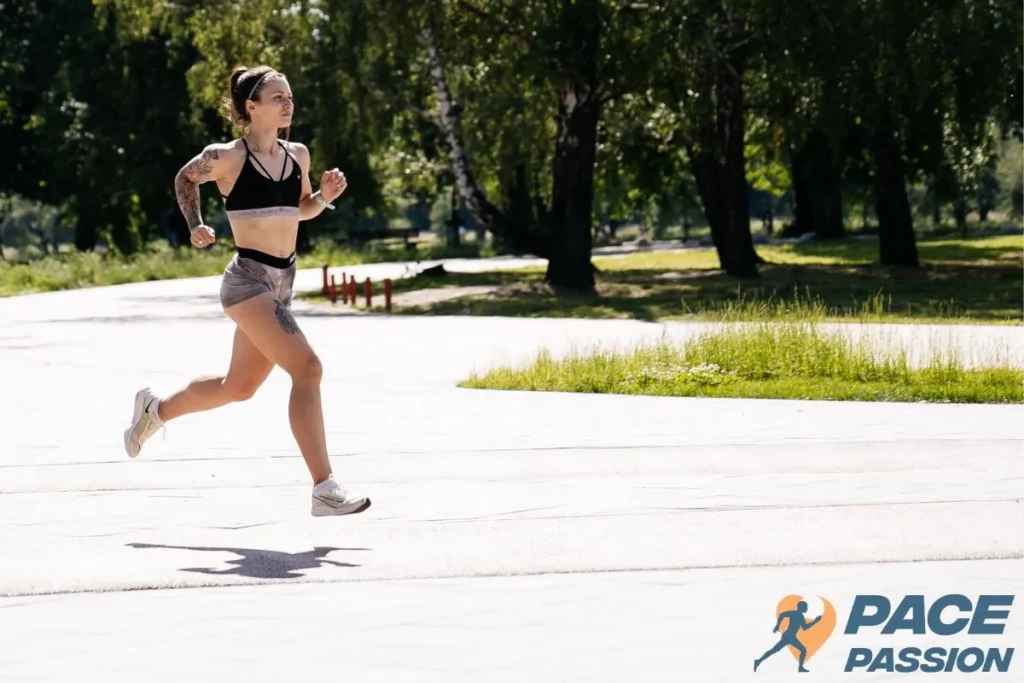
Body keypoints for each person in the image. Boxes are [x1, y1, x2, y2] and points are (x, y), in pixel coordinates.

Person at [122, 64, 370, 517]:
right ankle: (324, 487)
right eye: (277, 97)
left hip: (283, 282)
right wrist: (196, 224)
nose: (288, 103)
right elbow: (184, 178)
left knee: (237, 388)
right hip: (248, 281)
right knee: (308, 369)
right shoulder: (227, 157)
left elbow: (301, 210)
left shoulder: (299, 154)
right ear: (251, 107)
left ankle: (154, 411)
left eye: (289, 96)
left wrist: (327, 197)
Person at [753, 600, 822, 672]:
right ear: (802, 607)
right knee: (802, 650)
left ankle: (758, 661)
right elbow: (804, 627)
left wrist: (778, 625)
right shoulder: (797, 614)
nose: (807, 609)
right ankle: (800, 668)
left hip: (790, 636)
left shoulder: (798, 615)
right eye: (806, 607)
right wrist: (815, 621)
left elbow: (804, 627)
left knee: (774, 650)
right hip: (789, 636)